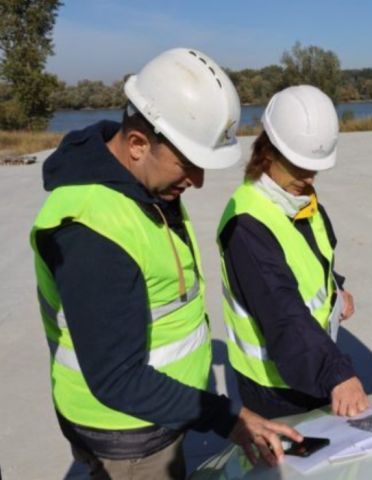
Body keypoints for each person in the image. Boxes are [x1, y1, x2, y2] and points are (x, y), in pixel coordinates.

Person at [30, 48, 301, 479]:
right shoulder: (91, 231)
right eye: (189, 164)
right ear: (138, 144)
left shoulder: (142, 185)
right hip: (128, 435)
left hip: (159, 413)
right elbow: (118, 379)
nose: (198, 181)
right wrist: (227, 417)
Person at [217, 85, 369, 419]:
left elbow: (315, 257)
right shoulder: (246, 225)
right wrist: (336, 373)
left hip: (309, 363)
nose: (310, 177)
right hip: (276, 389)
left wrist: (336, 288)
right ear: (268, 152)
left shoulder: (298, 199)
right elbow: (282, 310)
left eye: (315, 168)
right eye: (300, 166)